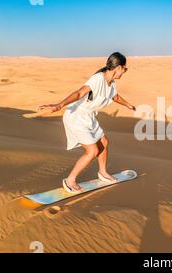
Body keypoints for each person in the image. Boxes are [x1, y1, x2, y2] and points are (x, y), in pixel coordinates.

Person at [38, 52, 136, 193]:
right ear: (118, 67)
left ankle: (102, 172)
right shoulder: (98, 79)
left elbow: (115, 96)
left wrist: (128, 105)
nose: (124, 72)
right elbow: (79, 93)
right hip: (76, 117)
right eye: (125, 69)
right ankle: (70, 180)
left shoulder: (112, 83)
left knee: (104, 142)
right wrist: (59, 105)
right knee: (92, 151)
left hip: (89, 117)